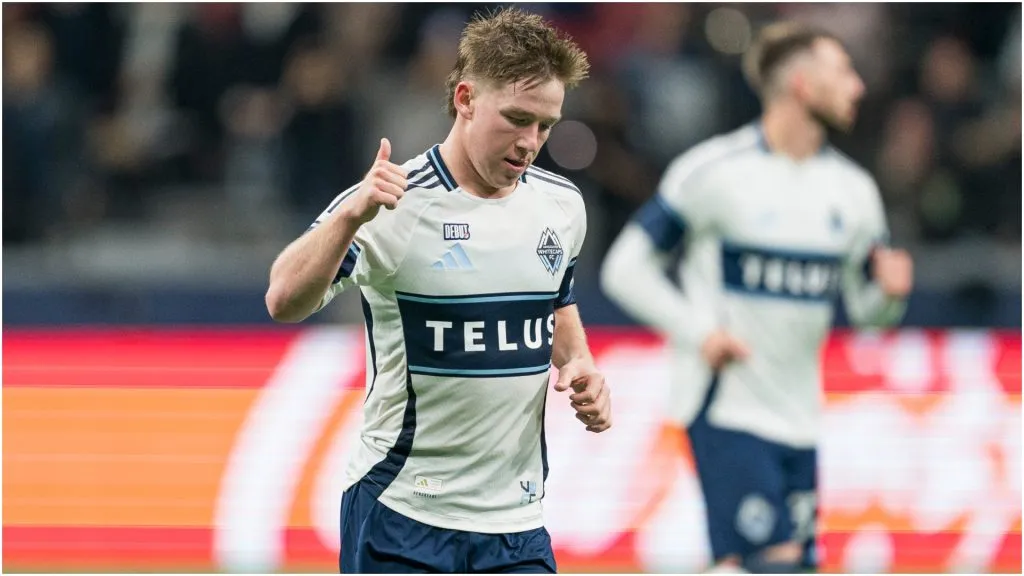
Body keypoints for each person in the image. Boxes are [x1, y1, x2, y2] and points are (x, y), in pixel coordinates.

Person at [265, 8, 611, 574]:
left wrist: (581, 366)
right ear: (467, 98)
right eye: (518, 118)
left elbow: (556, 298)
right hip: (404, 512)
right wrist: (350, 215)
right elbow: (282, 298)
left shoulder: (561, 206)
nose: (531, 143)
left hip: (515, 526)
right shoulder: (393, 202)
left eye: (545, 125)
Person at [600, 22, 913, 574]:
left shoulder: (855, 193)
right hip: (727, 407)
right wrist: (701, 333)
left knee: (758, 565)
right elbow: (625, 268)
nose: (858, 86)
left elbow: (869, 317)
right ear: (800, 84)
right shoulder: (715, 172)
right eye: (842, 71)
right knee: (775, 564)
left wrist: (888, 296)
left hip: (801, 418)